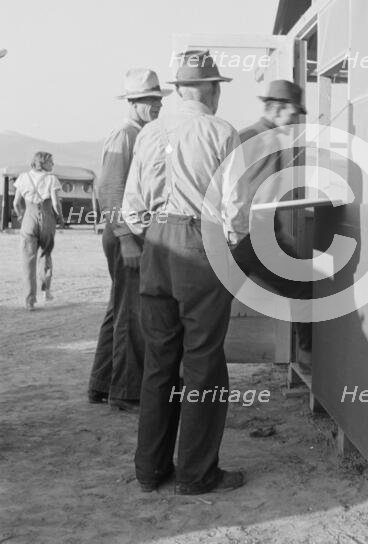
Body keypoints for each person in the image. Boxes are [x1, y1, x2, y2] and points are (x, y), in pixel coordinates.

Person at [123, 50, 249, 494]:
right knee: (202, 362)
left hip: (157, 244)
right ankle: (196, 472)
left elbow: (133, 209)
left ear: (177, 89)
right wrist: (232, 243)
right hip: (201, 244)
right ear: (212, 89)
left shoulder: (151, 131)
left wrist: (155, 233)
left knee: (159, 361)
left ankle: (150, 469)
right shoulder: (221, 131)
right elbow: (236, 209)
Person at [88, 69, 171, 413]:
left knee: (120, 308)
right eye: (150, 100)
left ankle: (102, 384)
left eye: (159, 98)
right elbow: (110, 190)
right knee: (132, 312)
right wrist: (125, 238)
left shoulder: (138, 133)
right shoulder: (126, 135)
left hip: (128, 232)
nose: (157, 105)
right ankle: (125, 393)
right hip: (126, 232)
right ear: (133, 103)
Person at [232, 80, 313, 359]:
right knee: (304, 287)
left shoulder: (245, 135)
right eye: (293, 115)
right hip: (254, 238)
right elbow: (259, 196)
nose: (294, 121)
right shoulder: (269, 141)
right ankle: (310, 359)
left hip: (236, 236)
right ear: (278, 109)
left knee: (213, 307)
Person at [13, 151, 65, 311]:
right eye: (51, 162)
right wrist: (61, 218)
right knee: (45, 255)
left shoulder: (22, 177)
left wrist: (22, 216)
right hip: (47, 218)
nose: (53, 164)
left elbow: (16, 203)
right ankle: (46, 290)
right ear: (43, 163)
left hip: (29, 217)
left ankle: (29, 301)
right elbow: (56, 204)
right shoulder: (52, 179)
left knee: (28, 260)